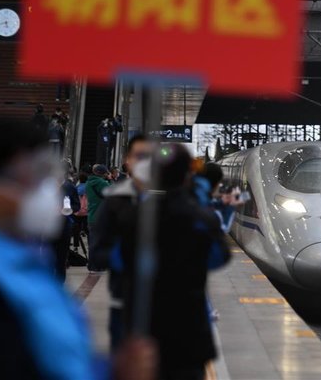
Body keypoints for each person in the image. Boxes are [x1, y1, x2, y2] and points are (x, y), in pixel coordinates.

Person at [0, 118, 155, 380]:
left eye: (46, 173)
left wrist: (111, 370)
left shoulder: (24, 263)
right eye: (30, 176)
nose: (45, 189)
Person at [123, 144, 230, 380]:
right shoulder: (202, 217)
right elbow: (219, 258)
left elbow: (119, 261)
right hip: (189, 327)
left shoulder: (136, 216)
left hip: (145, 325)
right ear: (188, 175)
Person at [89, 134, 154, 351]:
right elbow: (97, 251)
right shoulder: (114, 203)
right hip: (124, 302)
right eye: (139, 156)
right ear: (129, 161)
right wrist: (124, 257)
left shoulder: (171, 202)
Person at [52, 162, 80, 282]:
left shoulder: (69, 187)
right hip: (49, 226)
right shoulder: (48, 186)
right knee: (48, 257)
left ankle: (59, 283)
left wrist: (68, 210)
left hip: (65, 226)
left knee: (61, 258)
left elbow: (77, 205)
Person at [86, 164, 111, 271]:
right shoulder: (101, 182)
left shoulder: (89, 182)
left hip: (91, 215)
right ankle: (97, 265)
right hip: (100, 216)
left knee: (92, 241)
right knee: (100, 242)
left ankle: (92, 264)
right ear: (104, 173)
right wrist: (110, 180)